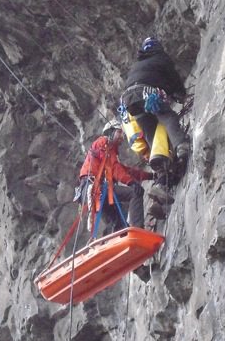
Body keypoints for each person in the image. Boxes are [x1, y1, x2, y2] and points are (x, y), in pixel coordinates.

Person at [119, 36, 189, 176]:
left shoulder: (136, 65)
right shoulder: (161, 58)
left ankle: (161, 167)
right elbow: (173, 78)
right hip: (146, 92)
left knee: (151, 131)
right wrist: (181, 94)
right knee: (168, 117)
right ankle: (182, 146)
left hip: (128, 100)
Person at [77, 120, 152, 236]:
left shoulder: (107, 153)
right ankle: (139, 232)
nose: (122, 137)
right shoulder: (104, 142)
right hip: (94, 188)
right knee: (135, 193)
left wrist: (150, 176)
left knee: (118, 225)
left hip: (91, 191)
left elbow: (126, 171)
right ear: (111, 132)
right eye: (119, 132)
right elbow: (115, 169)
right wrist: (131, 183)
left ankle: (117, 246)